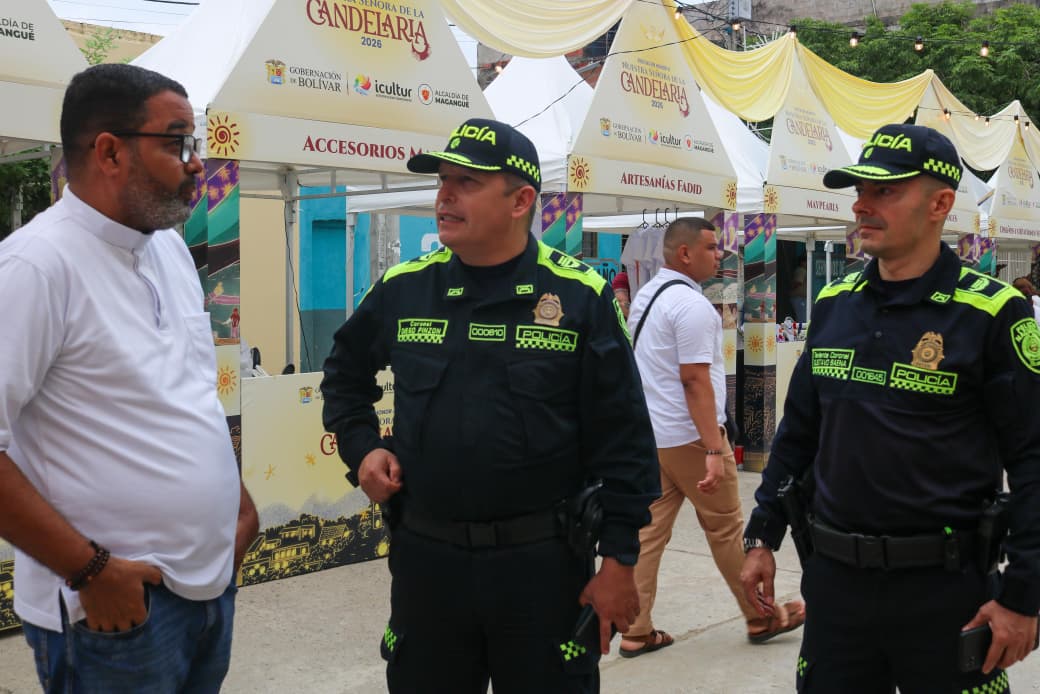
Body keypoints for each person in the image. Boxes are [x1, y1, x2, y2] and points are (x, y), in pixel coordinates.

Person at [321, 118, 659, 694]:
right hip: (428, 565)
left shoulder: (579, 296)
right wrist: (363, 448)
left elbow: (624, 436)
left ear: (520, 200)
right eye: (442, 181)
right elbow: (344, 374)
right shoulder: (405, 288)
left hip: (543, 571)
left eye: (467, 183)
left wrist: (619, 561)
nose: (445, 196)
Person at [740, 123, 1040, 692]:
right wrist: (762, 536)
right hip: (835, 587)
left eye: (886, 191)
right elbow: (799, 433)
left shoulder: (992, 312)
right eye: (861, 190)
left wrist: (1024, 594)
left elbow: (1032, 460)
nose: (862, 205)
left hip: (946, 591)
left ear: (940, 204)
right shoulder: (835, 302)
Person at [0, 63, 258, 691]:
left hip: (205, 588)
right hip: (112, 609)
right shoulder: (35, 268)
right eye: (177, 143)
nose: (197, 163)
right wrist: (91, 572)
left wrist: (237, 502)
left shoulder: (166, 246)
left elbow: (185, 393)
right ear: (110, 152)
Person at [619, 218, 804, 658]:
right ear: (685, 254)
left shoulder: (647, 295)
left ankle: (635, 629)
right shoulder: (693, 306)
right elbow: (695, 380)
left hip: (654, 435)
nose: (719, 255)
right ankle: (761, 616)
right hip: (690, 436)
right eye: (710, 247)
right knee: (726, 529)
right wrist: (713, 447)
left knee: (648, 533)